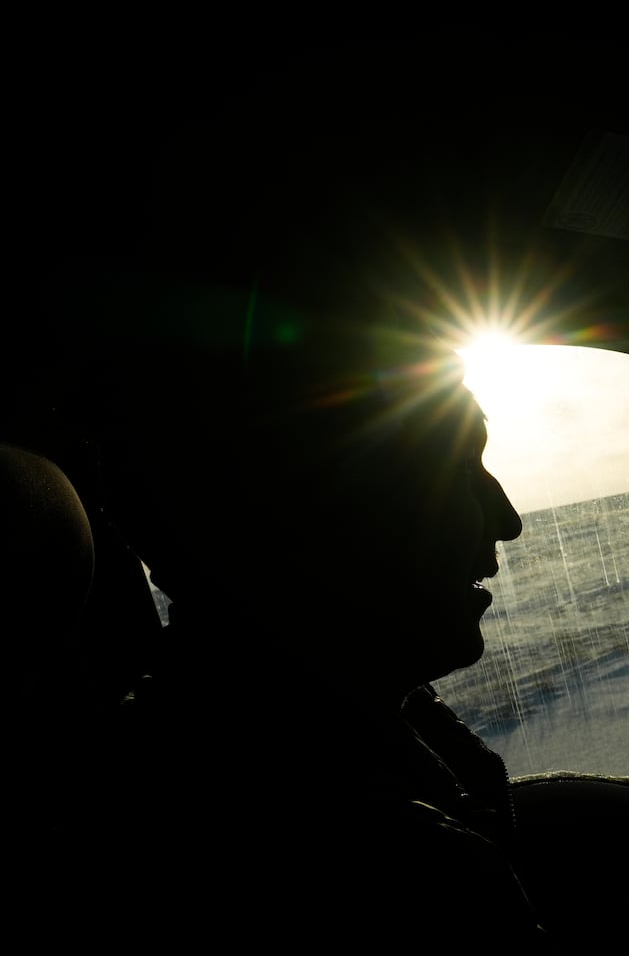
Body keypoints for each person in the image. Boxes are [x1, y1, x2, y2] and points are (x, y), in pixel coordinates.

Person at [73, 316, 562, 949]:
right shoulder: (382, 863)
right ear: (306, 523)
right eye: (461, 467)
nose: (508, 520)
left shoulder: (341, 728)